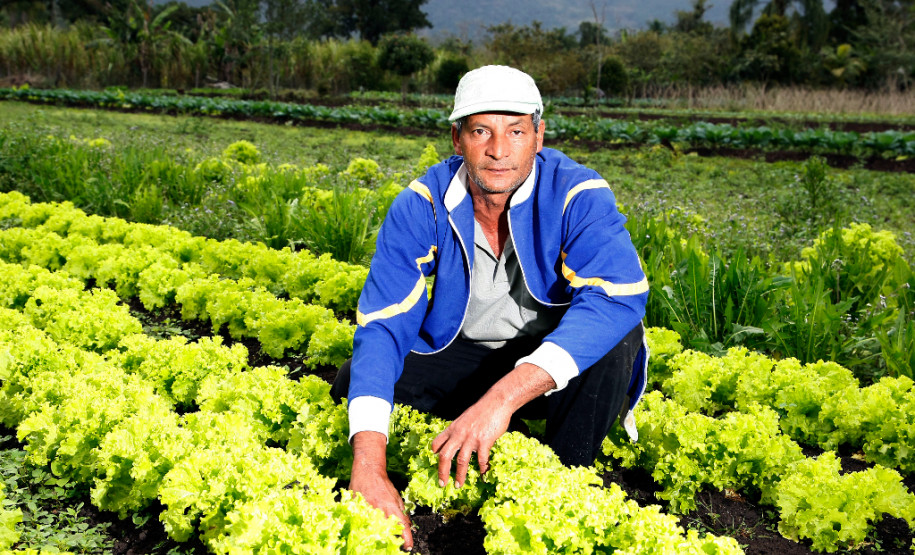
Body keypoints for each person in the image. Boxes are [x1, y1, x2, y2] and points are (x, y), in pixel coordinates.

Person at [330, 65, 649, 550]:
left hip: (550, 361)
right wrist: (369, 467)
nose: (499, 150)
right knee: (355, 379)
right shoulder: (423, 203)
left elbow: (618, 295)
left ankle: (561, 480)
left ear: (538, 137)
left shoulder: (577, 194)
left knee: (616, 338)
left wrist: (500, 401)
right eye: (482, 130)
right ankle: (485, 428)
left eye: (516, 131)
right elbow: (384, 325)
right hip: (469, 351)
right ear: (456, 139)